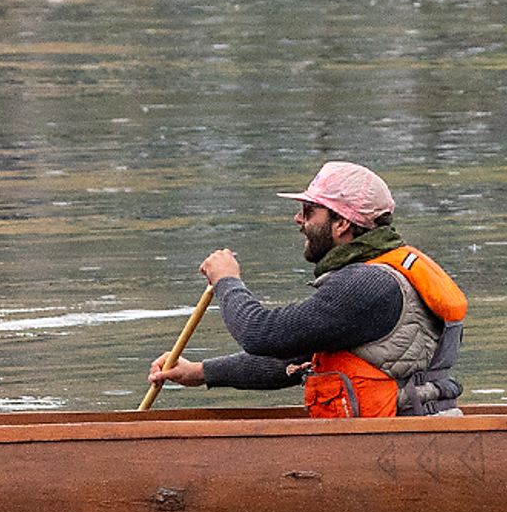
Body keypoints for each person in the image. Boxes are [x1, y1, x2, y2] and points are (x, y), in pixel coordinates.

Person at [146, 163, 469, 418]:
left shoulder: (369, 284)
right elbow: (291, 362)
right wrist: (200, 372)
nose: (297, 219)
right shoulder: (370, 276)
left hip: (401, 438)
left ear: (342, 223)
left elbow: (262, 334)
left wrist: (226, 281)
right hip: (398, 432)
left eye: (308, 211)